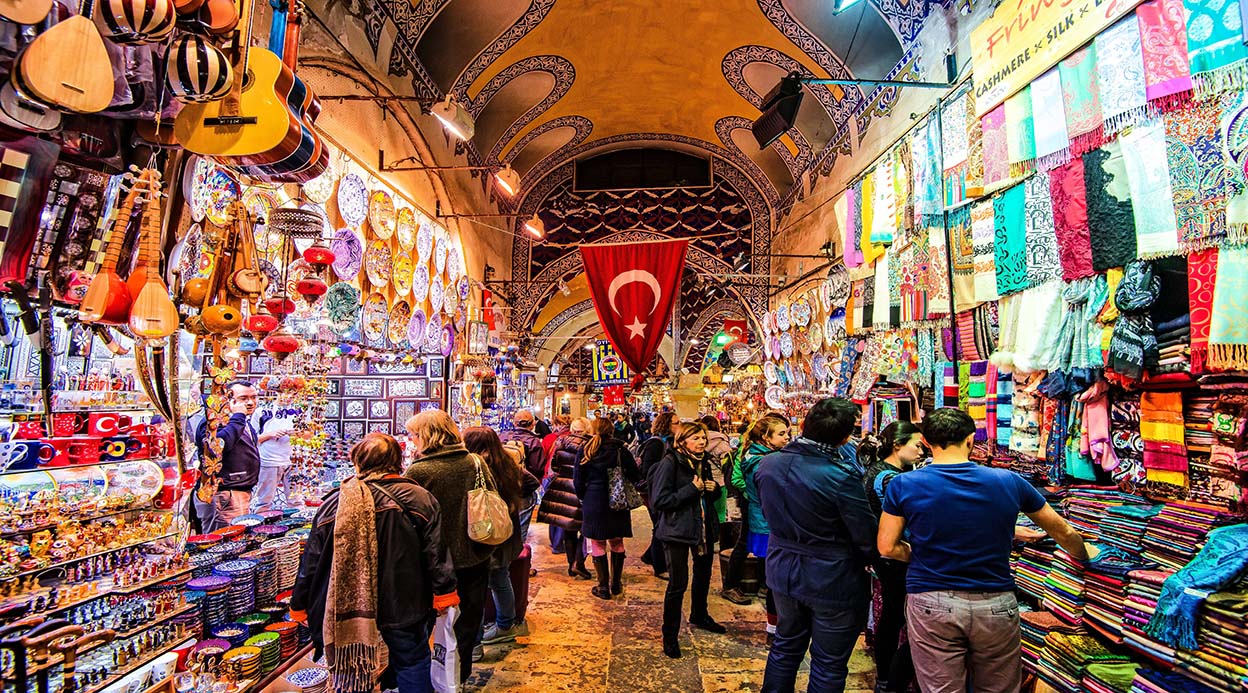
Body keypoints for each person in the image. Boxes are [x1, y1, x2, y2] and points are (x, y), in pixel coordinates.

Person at [878, 408, 1096, 693]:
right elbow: (1064, 532)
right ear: (971, 440)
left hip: (932, 601)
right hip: (995, 603)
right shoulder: (1008, 481)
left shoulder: (904, 484)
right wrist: (1087, 559)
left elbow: (887, 546)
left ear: (926, 442)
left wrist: (921, 553)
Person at [289, 433, 458, 693]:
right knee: (411, 660)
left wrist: (299, 604)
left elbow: (311, 560)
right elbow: (436, 553)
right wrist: (444, 593)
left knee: (353, 666)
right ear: (398, 461)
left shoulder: (336, 502)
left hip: (347, 607)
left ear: (358, 463)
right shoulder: (418, 498)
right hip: (404, 600)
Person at [757, 397, 877, 693]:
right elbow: (865, 535)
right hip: (831, 578)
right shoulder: (841, 476)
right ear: (846, 437)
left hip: (783, 569)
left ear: (803, 425)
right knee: (828, 664)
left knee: (785, 647)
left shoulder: (768, 464)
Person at [404, 411, 496, 683]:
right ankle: (459, 678)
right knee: (466, 625)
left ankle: (433, 681)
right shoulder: (475, 462)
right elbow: (491, 499)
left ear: (428, 436)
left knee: (429, 626)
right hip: (474, 555)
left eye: (415, 434)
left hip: (433, 564)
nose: (413, 440)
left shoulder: (419, 471)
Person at [650, 421, 726, 659]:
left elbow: (706, 493)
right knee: (678, 583)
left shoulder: (702, 462)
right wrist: (692, 490)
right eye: (696, 438)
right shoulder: (670, 463)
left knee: (703, 574)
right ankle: (670, 635)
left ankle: (699, 614)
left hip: (702, 527)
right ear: (682, 441)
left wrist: (711, 489)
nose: (702, 442)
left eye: (703, 438)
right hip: (677, 530)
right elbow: (660, 500)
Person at [859, 421, 925, 693]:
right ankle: (888, 678)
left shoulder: (886, 472)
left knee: (893, 615)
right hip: (895, 554)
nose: (922, 451)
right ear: (898, 445)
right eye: (918, 445)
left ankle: (887, 677)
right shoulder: (889, 478)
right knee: (897, 615)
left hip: (886, 554)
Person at [464, 427, 538, 646]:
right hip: (505, 529)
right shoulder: (506, 462)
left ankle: (475, 642)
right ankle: (505, 624)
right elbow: (532, 482)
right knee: (500, 578)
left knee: (478, 586)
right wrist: (511, 503)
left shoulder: (474, 466)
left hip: (484, 531)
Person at [732, 414, 791, 638]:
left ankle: (775, 628)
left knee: (772, 579)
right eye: (781, 434)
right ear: (766, 437)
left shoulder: (757, 456)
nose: (787, 438)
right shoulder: (763, 462)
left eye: (787, 433)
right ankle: (775, 630)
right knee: (775, 581)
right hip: (768, 524)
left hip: (764, 521)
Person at [574, 417, 643, 599]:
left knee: (597, 543)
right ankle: (616, 583)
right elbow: (636, 476)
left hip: (594, 500)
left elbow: (578, 480)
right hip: (617, 501)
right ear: (612, 431)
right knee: (617, 541)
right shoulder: (621, 450)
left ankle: (603, 586)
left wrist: (583, 497)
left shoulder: (586, 450)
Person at [194, 380, 261, 532]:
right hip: (224, 495)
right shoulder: (213, 423)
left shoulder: (242, 421)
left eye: (254, 397)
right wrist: (238, 417)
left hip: (238, 493)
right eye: (244, 398)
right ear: (227, 399)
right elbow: (218, 447)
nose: (250, 402)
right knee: (222, 539)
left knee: (236, 537)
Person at [537, 417, 592, 579]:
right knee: (584, 529)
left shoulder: (561, 442)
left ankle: (571, 565)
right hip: (583, 489)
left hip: (563, 487)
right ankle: (578, 562)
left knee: (569, 528)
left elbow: (554, 466)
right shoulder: (590, 445)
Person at [638, 411, 677, 579]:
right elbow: (649, 471)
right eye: (676, 423)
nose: (679, 425)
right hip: (654, 492)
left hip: (660, 490)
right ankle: (659, 566)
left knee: (660, 524)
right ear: (666, 425)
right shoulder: (656, 444)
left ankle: (650, 556)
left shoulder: (668, 442)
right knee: (659, 527)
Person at [251, 406, 294, 512]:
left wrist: (297, 433)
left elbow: (310, 434)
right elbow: (251, 439)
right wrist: (270, 434)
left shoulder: (301, 410)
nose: (288, 395)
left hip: (295, 461)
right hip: (269, 460)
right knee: (264, 502)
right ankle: (262, 526)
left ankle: (297, 524)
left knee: (296, 500)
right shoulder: (261, 411)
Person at [501, 410, 546, 480]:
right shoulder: (534, 442)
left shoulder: (502, 436)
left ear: (514, 423)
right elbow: (538, 469)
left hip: (502, 482)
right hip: (524, 484)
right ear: (532, 424)